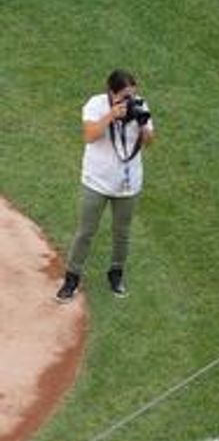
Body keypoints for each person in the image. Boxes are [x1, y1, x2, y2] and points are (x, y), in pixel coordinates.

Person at [56, 69, 155, 302]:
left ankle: (116, 274)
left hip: (128, 185)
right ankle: (72, 278)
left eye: (132, 94)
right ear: (111, 92)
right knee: (85, 232)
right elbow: (90, 135)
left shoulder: (140, 106)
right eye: (124, 95)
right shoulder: (96, 105)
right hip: (96, 182)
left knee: (122, 233)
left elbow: (150, 141)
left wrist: (142, 125)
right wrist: (111, 115)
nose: (129, 99)